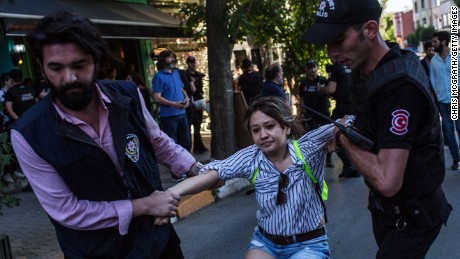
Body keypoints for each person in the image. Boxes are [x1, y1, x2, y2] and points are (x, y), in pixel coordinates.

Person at [11, 10, 198, 258]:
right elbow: (67, 210)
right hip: (96, 251)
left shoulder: (128, 95)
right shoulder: (28, 133)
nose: (69, 78)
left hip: (157, 241)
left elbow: (156, 141)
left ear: (97, 60)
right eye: (55, 67)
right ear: (41, 67)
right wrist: (143, 206)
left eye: (79, 65)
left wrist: (195, 167)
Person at [302, 0, 452, 258]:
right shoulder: (366, 71)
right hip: (388, 214)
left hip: (413, 217)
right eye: (327, 42)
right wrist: (349, 127)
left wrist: (344, 137)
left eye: (339, 39)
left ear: (370, 29)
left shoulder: (398, 86)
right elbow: (369, 121)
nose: (331, 52)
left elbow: (387, 180)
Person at [163, 96, 333, 258]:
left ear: (286, 127)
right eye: (256, 130)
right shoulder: (251, 157)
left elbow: (345, 126)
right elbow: (214, 172)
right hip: (267, 244)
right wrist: (170, 194)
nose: (263, 135)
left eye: (270, 126)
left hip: (309, 244)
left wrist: (341, 137)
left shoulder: (308, 149)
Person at [152, 50, 192, 181]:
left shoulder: (176, 74)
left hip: (182, 113)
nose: (174, 62)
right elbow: (157, 97)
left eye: (174, 59)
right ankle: (176, 174)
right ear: (163, 61)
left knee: (186, 142)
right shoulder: (158, 77)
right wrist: (174, 104)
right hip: (169, 116)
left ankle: (186, 169)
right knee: (172, 146)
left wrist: (186, 98)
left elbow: (181, 89)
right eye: (171, 59)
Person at [318, 62, 358, 178]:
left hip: (342, 107)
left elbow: (331, 89)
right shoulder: (353, 64)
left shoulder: (336, 66)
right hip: (356, 106)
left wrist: (320, 90)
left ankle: (349, 165)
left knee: (332, 132)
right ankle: (354, 166)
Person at [430, 31, 459, 170]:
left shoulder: (456, 57)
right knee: (448, 130)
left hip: (456, 100)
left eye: (435, 41)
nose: (433, 44)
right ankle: (456, 159)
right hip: (443, 101)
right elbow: (433, 81)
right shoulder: (434, 61)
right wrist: (436, 100)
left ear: (443, 42)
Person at [186, 56, 208, 154]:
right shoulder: (186, 75)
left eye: (194, 62)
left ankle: (199, 147)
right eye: (191, 63)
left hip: (198, 102)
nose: (193, 64)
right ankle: (194, 147)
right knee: (193, 125)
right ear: (188, 64)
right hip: (191, 103)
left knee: (197, 125)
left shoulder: (197, 74)